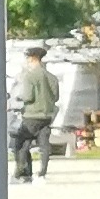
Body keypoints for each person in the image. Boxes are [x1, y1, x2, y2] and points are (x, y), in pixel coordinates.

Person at [11, 46, 61, 183]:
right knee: (44, 146)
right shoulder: (52, 77)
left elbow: (28, 96)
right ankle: (42, 174)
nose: (27, 61)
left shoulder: (29, 76)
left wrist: (18, 97)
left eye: (28, 58)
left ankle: (22, 173)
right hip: (47, 116)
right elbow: (56, 97)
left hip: (31, 115)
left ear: (32, 58)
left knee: (21, 144)